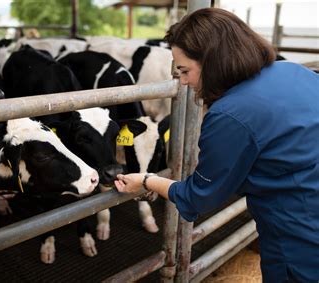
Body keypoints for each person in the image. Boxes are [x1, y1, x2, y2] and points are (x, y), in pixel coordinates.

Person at [114, 7, 319, 283]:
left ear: (212, 61)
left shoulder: (230, 115)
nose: (183, 82)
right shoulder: (294, 71)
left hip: (301, 239)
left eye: (185, 71)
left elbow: (199, 196)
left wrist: (147, 181)